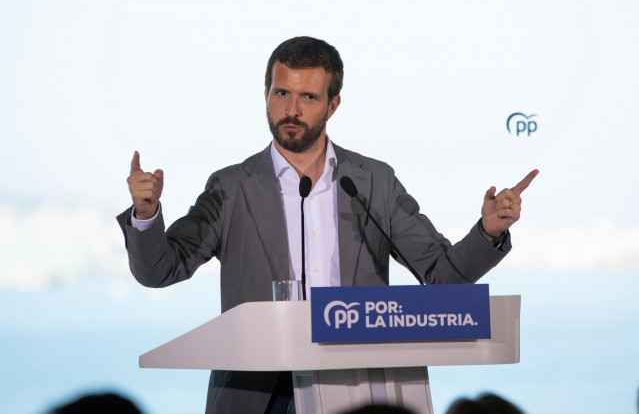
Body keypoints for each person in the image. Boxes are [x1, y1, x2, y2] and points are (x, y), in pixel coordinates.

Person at [117, 36, 538, 414]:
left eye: (308, 97)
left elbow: (442, 276)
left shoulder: (373, 182)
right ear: (265, 93)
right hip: (262, 396)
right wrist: (146, 213)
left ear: (333, 104)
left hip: (358, 388)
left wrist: (489, 231)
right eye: (281, 93)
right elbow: (160, 270)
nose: (292, 110)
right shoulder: (231, 187)